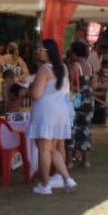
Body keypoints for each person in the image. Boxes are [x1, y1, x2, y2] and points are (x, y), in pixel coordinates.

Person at [28, 39, 75, 195]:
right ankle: (67, 178)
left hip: (46, 112)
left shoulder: (44, 70)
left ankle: (45, 184)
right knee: (52, 148)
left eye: (40, 49)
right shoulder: (64, 68)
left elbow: (36, 94)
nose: (38, 51)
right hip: (60, 111)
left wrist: (27, 91)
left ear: (47, 51)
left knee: (43, 148)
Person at [67, 41, 95, 169]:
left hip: (76, 98)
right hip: (89, 98)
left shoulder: (74, 66)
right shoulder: (90, 66)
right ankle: (86, 160)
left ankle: (69, 161)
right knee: (85, 128)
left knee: (71, 128)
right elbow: (94, 85)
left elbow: (70, 83)